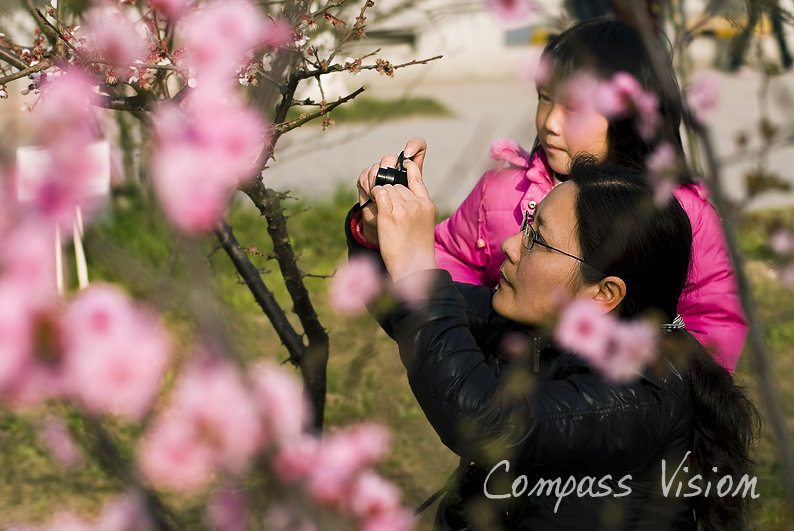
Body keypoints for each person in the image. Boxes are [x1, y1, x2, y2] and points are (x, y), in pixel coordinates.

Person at [347, 156, 759, 531]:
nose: (510, 245)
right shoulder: (542, 328)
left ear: (603, 294)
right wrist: (373, 234)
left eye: (536, 240)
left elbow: (483, 421)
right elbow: (412, 312)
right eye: (528, 223)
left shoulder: (638, 393)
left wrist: (418, 272)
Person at [371, 19, 747, 372]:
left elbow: (712, 320)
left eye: (573, 109)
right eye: (544, 98)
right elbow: (449, 253)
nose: (549, 123)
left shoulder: (679, 213)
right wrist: (486, 329)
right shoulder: (501, 189)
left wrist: (665, 397)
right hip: (511, 400)